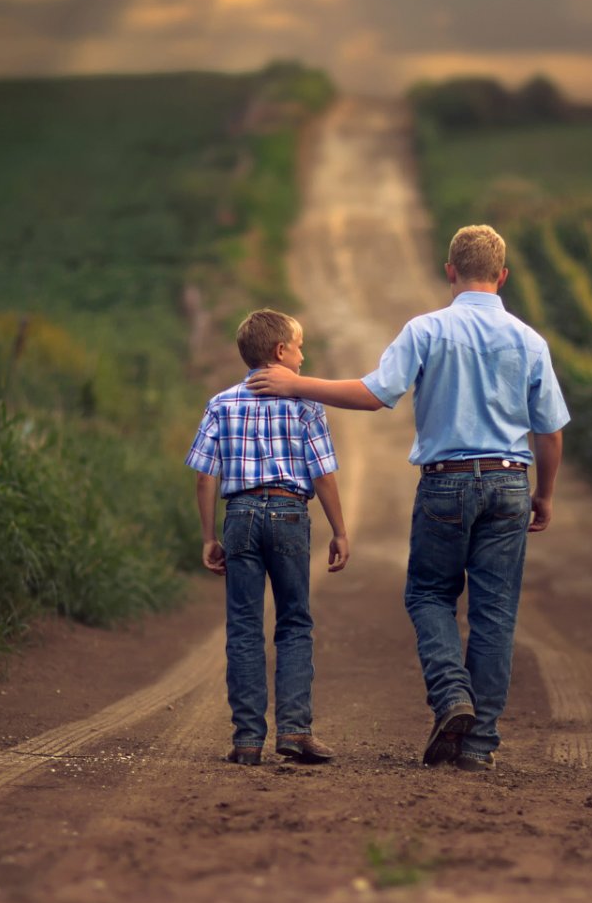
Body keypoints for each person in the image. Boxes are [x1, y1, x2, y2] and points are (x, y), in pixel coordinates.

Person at [250, 225, 568, 773]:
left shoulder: (427, 330)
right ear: (503, 276)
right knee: (495, 614)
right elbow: (551, 433)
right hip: (512, 481)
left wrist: (297, 383)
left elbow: (375, 395)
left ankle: (452, 699)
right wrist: (544, 495)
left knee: (428, 596)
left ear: (450, 271)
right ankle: (478, 748)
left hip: (446, 481)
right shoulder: (529, 340)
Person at [188, 308, 350, 766]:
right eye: (299, 346)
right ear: (280, 351)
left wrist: (207, 536)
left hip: (239, 514)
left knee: (243, 626)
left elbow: (204, 478)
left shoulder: (221, 403)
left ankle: (246, 740)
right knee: (294, 622)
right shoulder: (305, 403)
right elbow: (324, 475)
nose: (303, 355)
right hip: (288, 514)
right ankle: (295, 731)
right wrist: (339, 530)